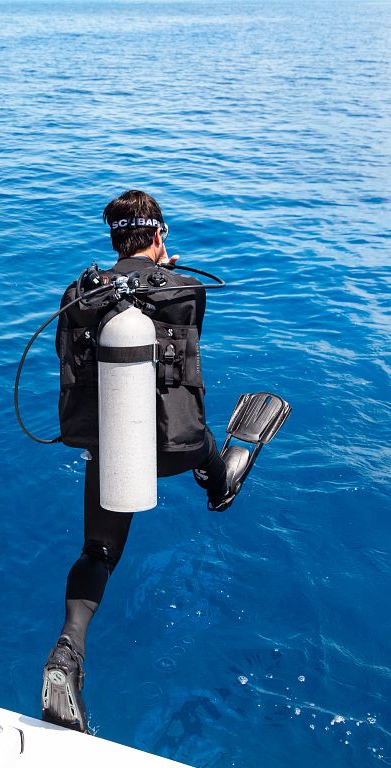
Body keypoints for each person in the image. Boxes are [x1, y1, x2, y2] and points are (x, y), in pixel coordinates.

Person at [41, 190, 250, 732]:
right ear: (158, 236)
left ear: (114, 239)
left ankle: (68, 654)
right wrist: (164, 273)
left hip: (112, 451)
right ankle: (219, 480)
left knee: (97, 552)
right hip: (178, 448)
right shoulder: (186, 287)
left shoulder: (78, 293)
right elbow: (187, 323)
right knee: (212, 456)